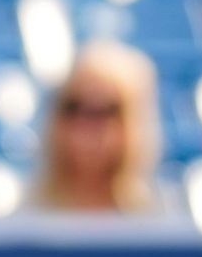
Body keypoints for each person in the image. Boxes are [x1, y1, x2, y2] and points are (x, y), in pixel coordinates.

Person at [30, 41, 165, 214]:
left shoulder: (159, 216)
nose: (88, 124)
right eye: (74, 107)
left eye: (109, 110)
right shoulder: (25, 216)